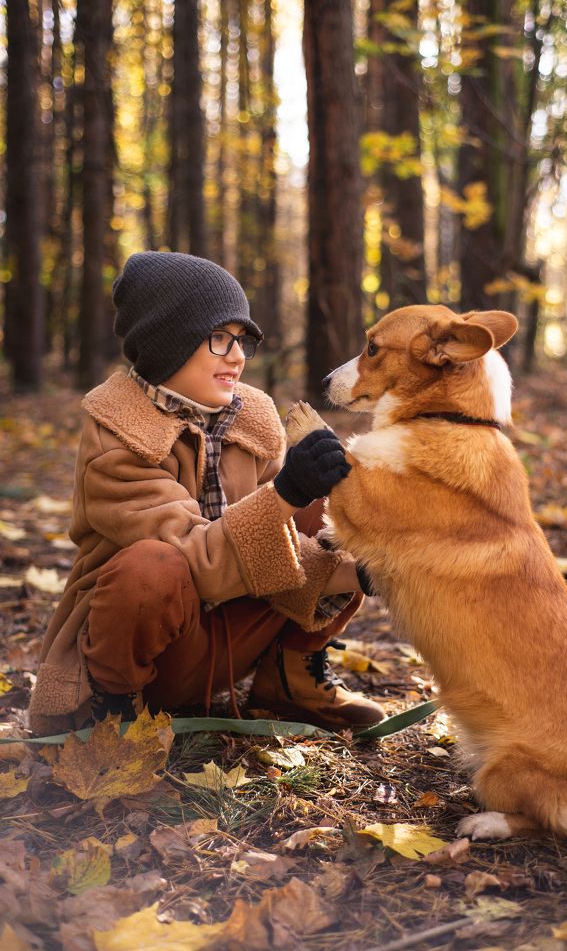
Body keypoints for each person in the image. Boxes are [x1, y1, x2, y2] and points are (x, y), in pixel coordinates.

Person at [28, 251, 385, 735]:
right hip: (149, 662)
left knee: (332, 505)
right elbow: (196, 565)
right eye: (220, 338)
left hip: (231, 644)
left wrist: (369, 566)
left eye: (242, 340)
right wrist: (285, 493)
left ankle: (289, 680)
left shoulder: (252, 416)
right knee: (151, 565)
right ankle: (111, 720)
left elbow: (275, 553)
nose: (237, 356)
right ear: (167, 343)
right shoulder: (115, 438)